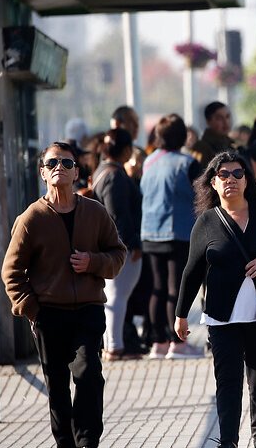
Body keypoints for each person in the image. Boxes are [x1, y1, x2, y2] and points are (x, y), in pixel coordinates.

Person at [1, 141, 126, 448]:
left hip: (88, 309)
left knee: (89, 375)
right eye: (53, 163)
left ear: (76, 172)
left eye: (67, 164)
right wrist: (33, 310)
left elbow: (118, 253)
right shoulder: (31, 219)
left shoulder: (95, 212)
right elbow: (11, 273)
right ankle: (65, 443)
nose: (60, 168)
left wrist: (93, 262)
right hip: (49, 314)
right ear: (43, 173)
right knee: (56, 385)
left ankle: (87, 442)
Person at [174, 151, 256, 448]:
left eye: (238, 174)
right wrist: (181, 314)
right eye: (223, 175)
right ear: (213, 183)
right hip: (221, 318)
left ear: (247, 180)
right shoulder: (206, 223)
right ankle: (228, 441)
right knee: (228, 383)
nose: (231, 180)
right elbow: (192, 270)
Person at [140, 114, 204, 359]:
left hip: (150, 230)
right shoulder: (187, 163)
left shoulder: (149, 161)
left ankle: (159, 342)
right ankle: (178, 344)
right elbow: (199, 197)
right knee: (176, 288)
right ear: (182, 136)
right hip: (178, 231)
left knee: (156, 287)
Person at [92, 129, 144, 361]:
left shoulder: (102, 171)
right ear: (125, 150)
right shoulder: (115, 176)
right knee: (116, 296)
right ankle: (114, 346)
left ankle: (112, 344)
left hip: (109, 244)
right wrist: (129, 246)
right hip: (120, 247)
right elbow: (118, 215)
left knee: (114, 296)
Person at [193, 101, 236, 169]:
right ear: (208, 121)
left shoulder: (232, 144)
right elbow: (198, 174)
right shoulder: (201, 147)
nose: (226, 122)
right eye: (219, 118)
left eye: (227, 117)